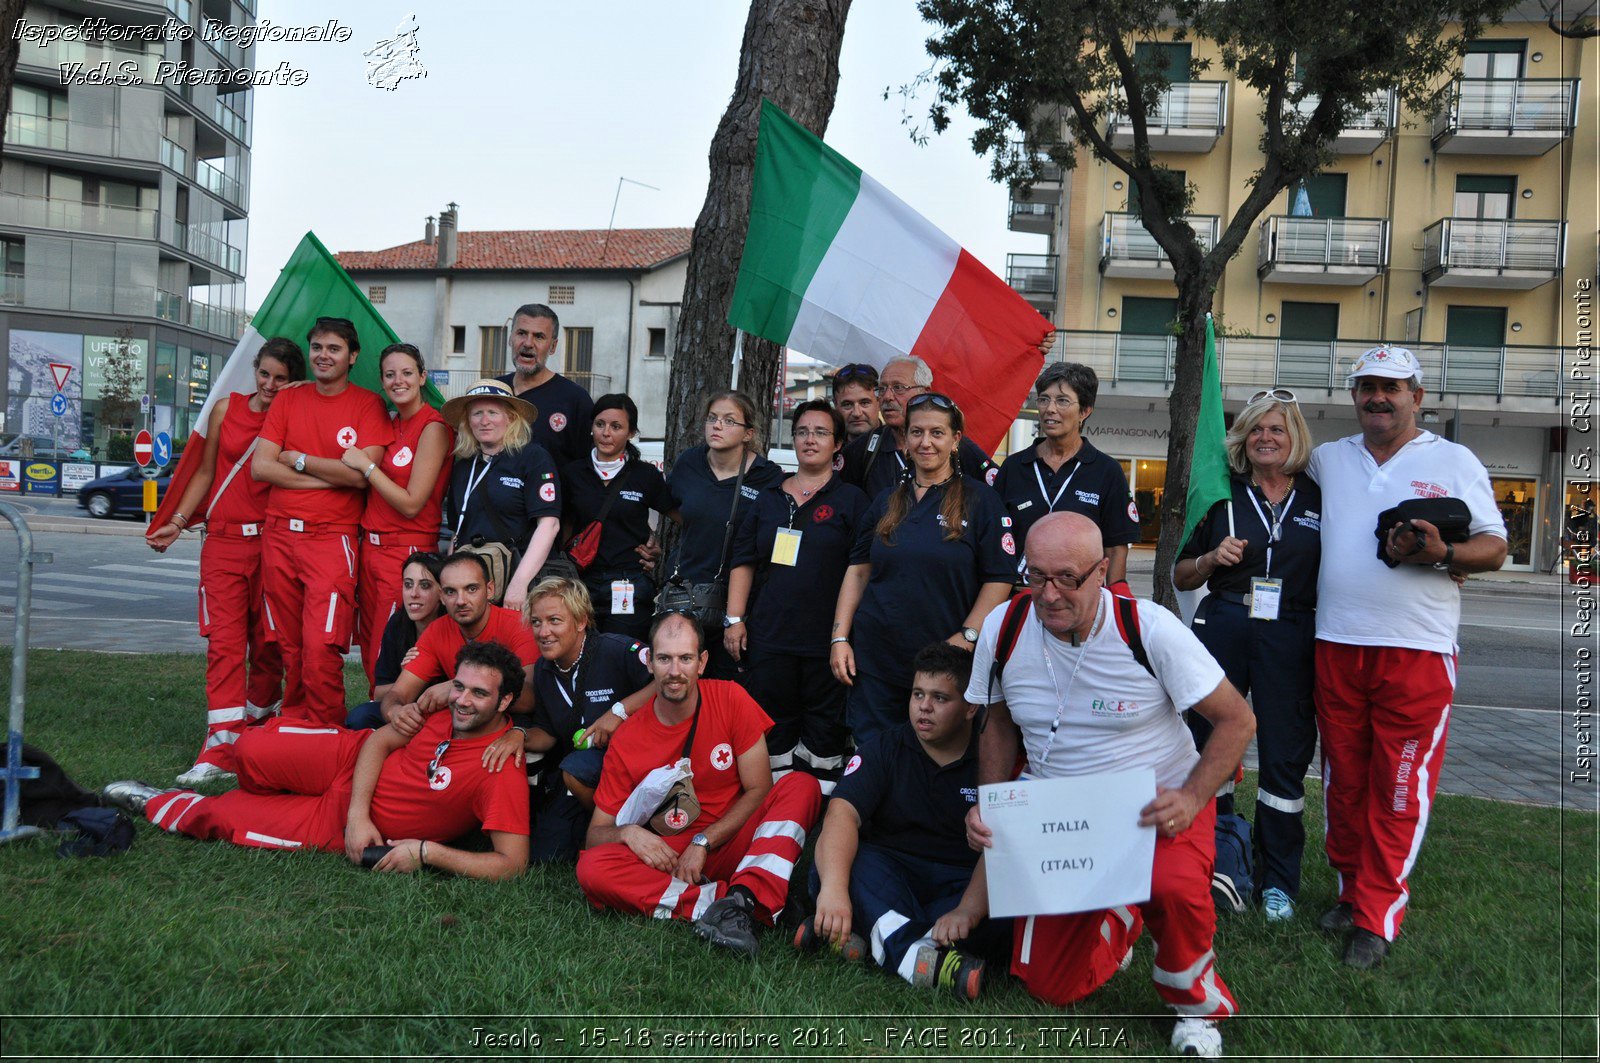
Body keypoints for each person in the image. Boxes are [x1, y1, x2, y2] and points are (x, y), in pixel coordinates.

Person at [958, 513, 1255, 1059]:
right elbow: (997, 723)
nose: (1048, 595)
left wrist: (1191, 799)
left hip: (1156, 805)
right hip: (1060, 814)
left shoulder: (1150, 628)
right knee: (1051, 987)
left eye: (1067, 578)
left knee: (1172, 887)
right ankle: (1122, 910)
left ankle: (1196, 1009)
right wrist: (989, 804)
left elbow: (1237, 720)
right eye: (1036, 575)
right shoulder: (1003, 626)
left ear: (1102, 572)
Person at [1308, 344, 1507, 969]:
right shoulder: (1326, 460)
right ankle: (1348, 890)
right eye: (1367, 386)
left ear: (1417, 396)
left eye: (1391, 387)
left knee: (1399, 786)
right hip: (1336, 642)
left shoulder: (1454, 459)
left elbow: (1495, 545)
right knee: (1343, 780)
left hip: (1417, 650)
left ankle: (1377, 914)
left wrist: (1445, 555)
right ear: (1355, 396)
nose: (1378, 397)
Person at [100, 641, 531, 881]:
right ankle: (266, 783)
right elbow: (379, 742)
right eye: (460, 686)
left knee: (223, 817)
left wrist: (427, 852)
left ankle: (156, 801)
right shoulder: (442, 708)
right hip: (351, 759)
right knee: (251, 749)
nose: (464, 700)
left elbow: (511, 865)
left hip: (335, 821)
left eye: (479, 693)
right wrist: (362, 812)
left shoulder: (500, 767)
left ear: (505, 700)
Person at [575, 613, 822, 959]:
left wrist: (704, 841)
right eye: (664, 658)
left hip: (736, 838)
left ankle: (745, 896)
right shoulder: (628, 738)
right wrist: (628, 833)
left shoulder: (731, 698)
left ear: (702, 662)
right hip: (674, 857)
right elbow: (595, 835)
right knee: (592, 868)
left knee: (801, 785)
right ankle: (732, 903)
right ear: (649, 663)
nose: (675, 671)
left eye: (685, 658)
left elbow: (760, 790)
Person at [1172, 389, 1321, 922]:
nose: (1265, 438)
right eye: (1256, 429)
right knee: (1209, 745)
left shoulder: (1319, 498)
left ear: (1293, 437)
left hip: (1290, 631)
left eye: (1276, 429)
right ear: (1243, 438)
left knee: (1283, 754)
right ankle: (1216, 862)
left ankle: (1278, 880)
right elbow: (1180, 573)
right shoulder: (1221, 494)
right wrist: (1211, 557)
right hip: (1227, 623)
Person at [799, 643, 1005, 999]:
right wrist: (834, 891)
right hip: (889, 874)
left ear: (971, 706)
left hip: (958, 887)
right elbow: (841, 814)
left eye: (940, 698)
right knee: (846, 865)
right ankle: (922, 958)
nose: (924, 707)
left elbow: (1002, 847)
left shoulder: (993, 761)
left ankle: (864, 935)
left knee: (1007, 910)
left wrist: (968, 911)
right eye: (917, 694)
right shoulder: (885, 747)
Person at [148, 337, 304, 784]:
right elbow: (205, 471)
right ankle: (218, 748)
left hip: (274, 542)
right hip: (223, 543)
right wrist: (177, 522)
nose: (270, 385)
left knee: (271, 643)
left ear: (294, 382)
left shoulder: (294, 416)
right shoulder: (225, 409)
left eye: (281, 378)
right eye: (265, 374)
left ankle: (253, 730)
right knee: (225, 644)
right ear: (254, 371)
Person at [831, 393, 1014, 741]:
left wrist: (967, 637)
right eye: (916, 432)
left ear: (955, 440)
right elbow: (858, 570)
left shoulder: (980, 500)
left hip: (945, 665)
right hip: (876, 662)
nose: (925, 442)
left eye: (936, 433)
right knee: (874, 759)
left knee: (936, 761)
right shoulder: (886, 500)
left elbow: (1000, 578)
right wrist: (839, 637)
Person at [252, 318, 394, 725]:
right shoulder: (288, 399)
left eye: (334, 348)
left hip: (332, 540)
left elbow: (360, 476)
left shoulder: (367, 404)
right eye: (317, 347)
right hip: (279, 533)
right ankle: (294, 723)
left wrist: (297, 459)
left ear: (353, 356)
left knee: (321, 643)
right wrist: (331, 476)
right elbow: (261, 467)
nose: (323, 355)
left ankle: (326, 727)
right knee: (288, 643)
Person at [724, 400, 868, 785]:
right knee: (773, 723)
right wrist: (734, 619)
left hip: (826, 640)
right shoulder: (770, 497)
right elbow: (744, 560)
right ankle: (772, 807)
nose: (810, 439)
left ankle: (816, 808)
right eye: (803, 431)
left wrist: (843, 634)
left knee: (825, 727)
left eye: (821, 432)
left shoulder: (852, 500)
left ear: (838, 444)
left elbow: (861, 570)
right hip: (769, 636)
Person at [479, 577, 656, 863]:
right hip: (585, 774)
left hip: (633, 764)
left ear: (581, 621)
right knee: (547, 855)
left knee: (575, 768)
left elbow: (668, 679)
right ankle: (598, 829)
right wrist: (520, 735)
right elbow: (548, 734)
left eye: (555, 620)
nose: (543, 631)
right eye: (536, 622)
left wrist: (619, 711)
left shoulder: (616, 649)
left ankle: (617, 829)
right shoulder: (544, 670)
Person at [346, 343, 453, 693]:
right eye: (390, 374)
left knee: (386, 649)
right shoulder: (388, 422)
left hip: (405, 551)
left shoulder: (433, 427)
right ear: (381, 381)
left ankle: (382, 729)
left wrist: (368, 467)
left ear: (422, 377)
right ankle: (378, 724)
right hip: (370, 548)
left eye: (407, 372)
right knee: (366, 643)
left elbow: (412, 504)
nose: (398, 381)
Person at [663, 390, 785, 679]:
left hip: (741, 603)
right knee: (680, 679)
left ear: (748, 433)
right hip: (687, 592)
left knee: (726, 686)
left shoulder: (767, 477)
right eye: (712, 418)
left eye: (729, 421)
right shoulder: (689, 462)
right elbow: (669, 506)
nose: (717, 426)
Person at [992, 362, 1140, 586]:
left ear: (1084, 411)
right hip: (1020, 597)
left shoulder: (1106, 471)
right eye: (1044, 399)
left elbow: (1115, 548)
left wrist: (1114, 602)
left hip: (1080, 604)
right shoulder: (1013, 467)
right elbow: (995, 540)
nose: (1050, 408)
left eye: (1062, 400)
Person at [369, 551, 538, 732]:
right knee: (364, 716)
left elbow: (528, 699)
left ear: (490, 590)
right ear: (441, 596)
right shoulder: (436, 630)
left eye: (471, 589)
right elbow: (398, 693)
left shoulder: (518, 626)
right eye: (451, 592)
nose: (461, 601)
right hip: (456, 716)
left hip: (506, 721)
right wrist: (395, 712)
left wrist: (456, 687)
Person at [559, 394, 675, 641]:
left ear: (631, 432)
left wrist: (661, 549)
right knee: (581, 654)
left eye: (616, 426)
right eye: (600, 424)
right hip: (581, 583)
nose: (606, 433)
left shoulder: (645, 475)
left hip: (628, 583)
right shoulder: (572, 473)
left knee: (622, 656)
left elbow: (683, 517)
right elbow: (563, 526)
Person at [442, 379, 562, 614]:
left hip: (517, 588)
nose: (484, 421)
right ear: (468, 421)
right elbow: (458, 532)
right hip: (474, 591)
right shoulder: (464, 466)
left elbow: (549, 525)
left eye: (492, 412)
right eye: (477, 413)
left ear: (510, 418)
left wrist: (519, 583)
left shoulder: (532, 457)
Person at [839, 355, 995, 501]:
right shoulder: (862, 450)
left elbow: (998, 490)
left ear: (925, 392)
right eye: (882, 388)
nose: (887, 396)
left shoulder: (954, 446)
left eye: (898, 387)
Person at [344, 552, 445, 730]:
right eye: (408, 585)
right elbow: (379, 694)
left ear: (441, 593)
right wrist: (405, 674)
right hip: (403, 706)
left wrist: (421, 675)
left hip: (444, 711)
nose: (414, 594)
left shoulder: (453, 626)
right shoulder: (398, 623)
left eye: (425, 586)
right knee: (359, 717)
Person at [495, 303, 594, 467]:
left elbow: (586, 470)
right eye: (521, 333)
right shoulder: (492, 392)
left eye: (538, 336)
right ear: (510, 338)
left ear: (553, 346)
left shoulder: (575, 400)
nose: (528, 343)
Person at [830, 363, 882, 442]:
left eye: (864, 403)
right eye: (847, 404)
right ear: (835, 405)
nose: (857, 413)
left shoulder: (902, 447)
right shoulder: (827, 450)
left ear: (879, 402)